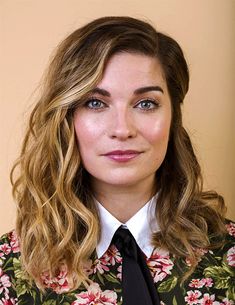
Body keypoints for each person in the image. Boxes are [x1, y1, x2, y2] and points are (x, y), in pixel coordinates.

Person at [0, 16, 234, 305]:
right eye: (95, 103)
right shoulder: (8, 269)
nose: (122, 129)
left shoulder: (229, 256)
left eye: (146, 103)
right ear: (67, 118)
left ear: (173, 118)